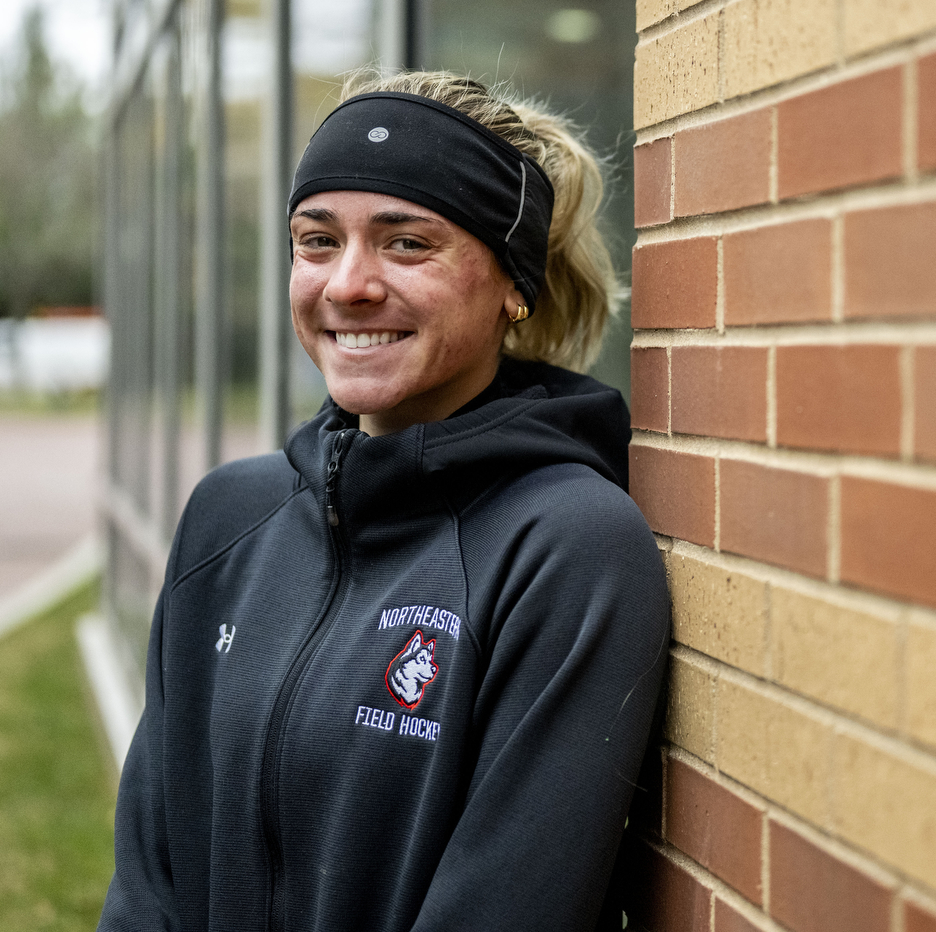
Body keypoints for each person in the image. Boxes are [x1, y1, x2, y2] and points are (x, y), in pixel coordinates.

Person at [98, 71, 670, 932]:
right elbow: (147, 887)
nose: (347, 285)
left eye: (406, 243)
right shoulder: (228, 519)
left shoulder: (569, 547)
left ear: (514, 284)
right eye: (317, 240)